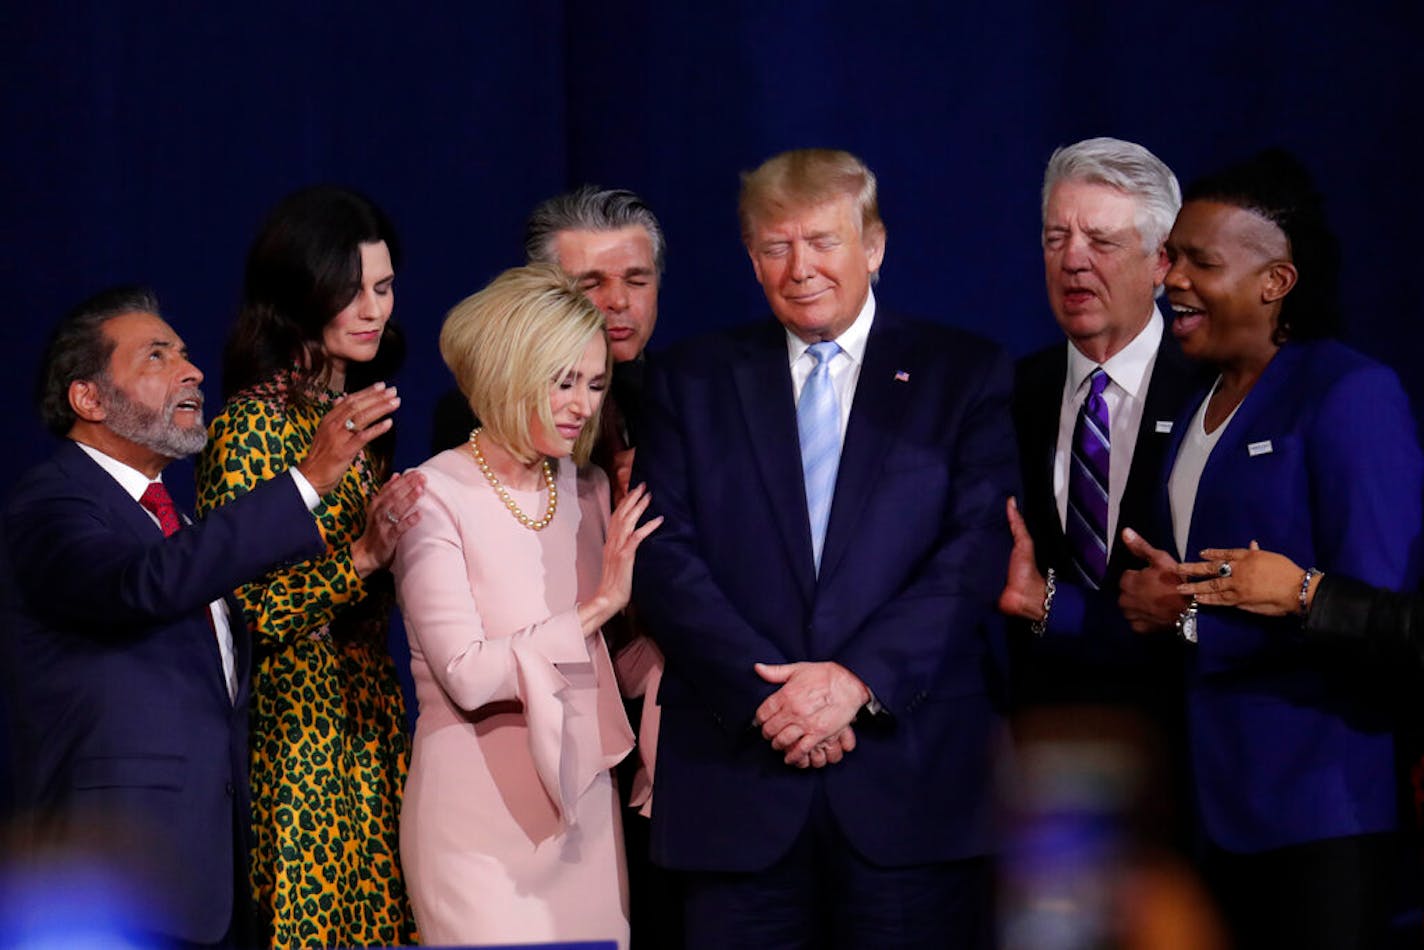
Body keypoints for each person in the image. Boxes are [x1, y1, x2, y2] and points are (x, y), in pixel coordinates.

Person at [632, 148, 1017, 948]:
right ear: (750, 258)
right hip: (737, 785)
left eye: (822, 241)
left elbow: (974, 549)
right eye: (776, 246)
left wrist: (857, 681)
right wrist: (772, 700)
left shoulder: (963, 374)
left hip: (908, 788)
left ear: (872, 246)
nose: (800, 267)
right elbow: (664, 557)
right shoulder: (689, 381)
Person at [0, 285, 395, 948]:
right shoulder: (51, 505)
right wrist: (305, 483)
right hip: (107, 884)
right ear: (87, 398)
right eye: (157, 357)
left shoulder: (171, 520)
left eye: (185, 353)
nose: (193, 372)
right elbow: (141, 586)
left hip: (205, 886)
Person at [1116, 150, 1424, 947]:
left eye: (1200, 262)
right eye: (1170, 257)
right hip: (1209, 810)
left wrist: (1286, 597)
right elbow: (1179, 599)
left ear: (1275, 283)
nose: (1169, 278)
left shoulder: (1349, 394)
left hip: (1323, 812)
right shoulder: (1195, 407)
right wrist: (1045, 601)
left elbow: (1380, 616)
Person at [430, 184, 675, 946]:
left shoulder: (685, 406)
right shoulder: (459, 455)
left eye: (635, 280)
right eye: (588, 286)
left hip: (640, 752)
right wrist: (603, 606)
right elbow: (466, 661)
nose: (616, 303)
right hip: (507, 764)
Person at [194, 187, 424, 948]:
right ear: (300, 292)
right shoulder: (254, 423)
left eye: (383, 288)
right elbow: (252, 605)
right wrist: (364, 554)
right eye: (348, 289)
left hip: (370, 722)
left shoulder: (354, 414)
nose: (371, 309)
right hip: (294, 738)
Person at [999, 137, 1204, 735]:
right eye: (1056, 238)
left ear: (1161, 262)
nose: (1072, 260)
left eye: (1102, 241)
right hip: (1043, 731)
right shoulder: (1007, 395)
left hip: (1182, 735)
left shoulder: (1212, 392)